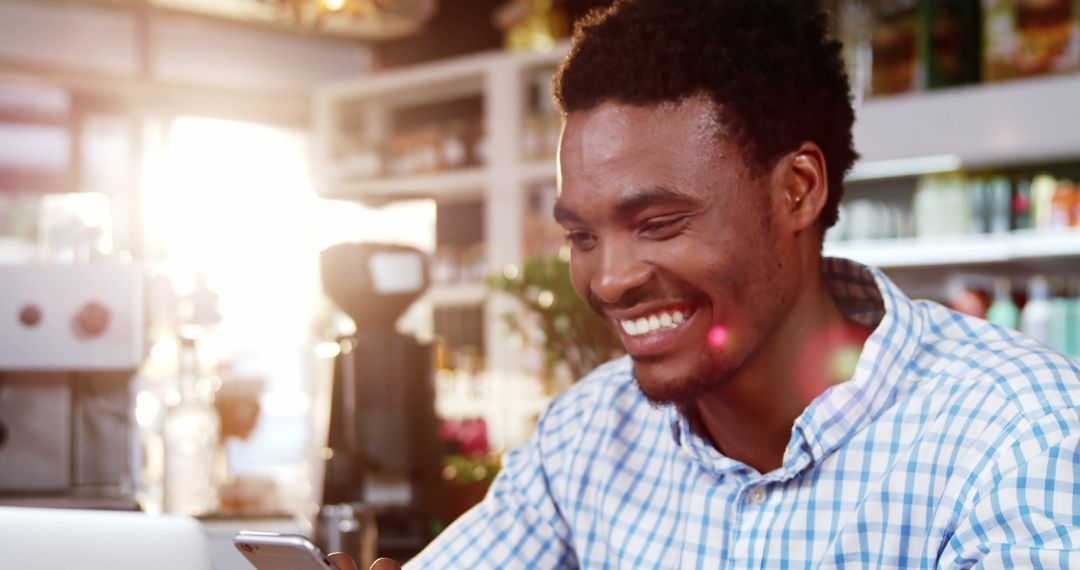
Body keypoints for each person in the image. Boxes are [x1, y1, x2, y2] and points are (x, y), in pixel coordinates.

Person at [333, 0, 1080, 567]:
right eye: (582, 236)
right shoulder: (588, 435)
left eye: (659, 222)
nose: (613, 278)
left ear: (797, 190)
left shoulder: (1018, 434)